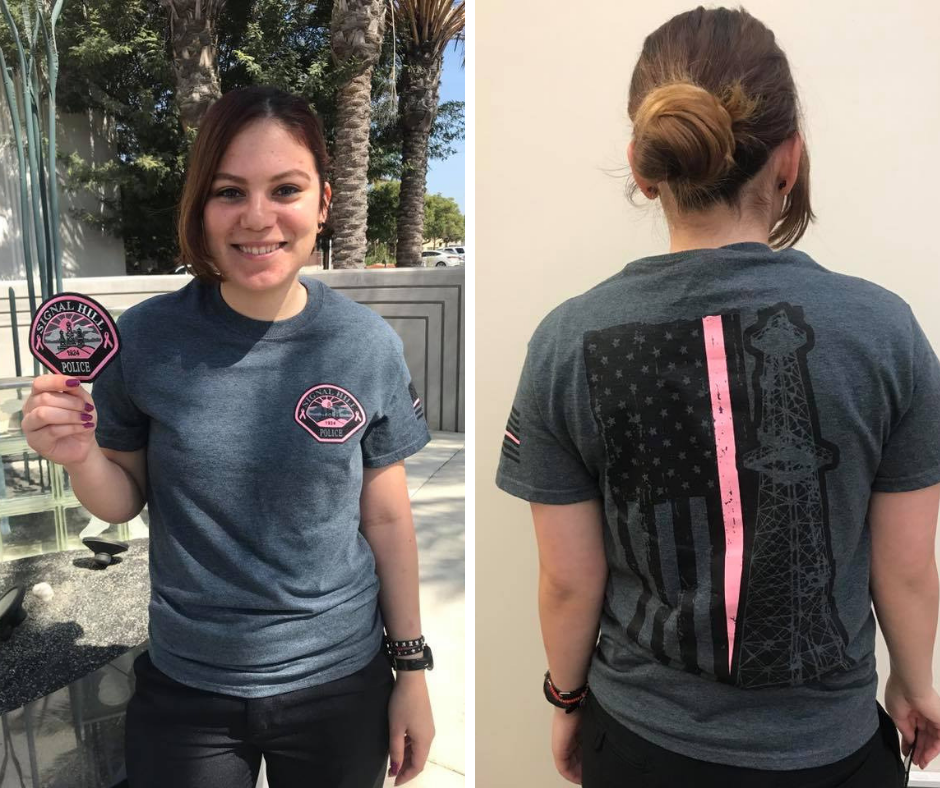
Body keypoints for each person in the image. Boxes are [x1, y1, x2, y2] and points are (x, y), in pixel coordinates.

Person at [495, 7, 940, 788]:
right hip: (830, 750)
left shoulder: (566, 341)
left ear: (643, 167)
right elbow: (905, 569)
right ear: (790, 159)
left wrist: (565, 699)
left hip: (640, 741)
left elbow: (568, 580)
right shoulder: (885, 330)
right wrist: (914, 679)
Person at [21, 85, 435, 788]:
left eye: (286, 189)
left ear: (323, 203)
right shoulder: (143, 340)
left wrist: (412, 673)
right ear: (201, 208)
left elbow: (388, 519)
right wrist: (80, 455)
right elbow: (122, 499)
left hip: (341, 681)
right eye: (229, 191)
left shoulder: (366, 345)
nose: (257, 217)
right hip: (189, 687)